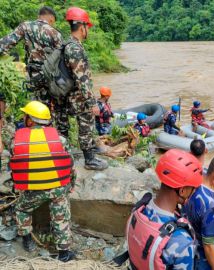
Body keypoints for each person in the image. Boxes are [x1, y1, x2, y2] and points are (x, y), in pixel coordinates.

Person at [10, 101, 77, 262]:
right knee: (61, 217)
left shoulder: (16, 141)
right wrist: (71, 185)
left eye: (25, 115)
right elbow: (70, 166)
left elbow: (17, 167)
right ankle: (64, 254)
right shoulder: (60, 139)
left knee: (21, 209)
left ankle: (27, 241)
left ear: (31, 120)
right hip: (57, 188)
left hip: (33, 190)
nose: (23, 117)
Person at [117, 149, 203, 270]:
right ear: (182, 190)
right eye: (192, 189)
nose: (193, 192)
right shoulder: (182, 241)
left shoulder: (140, 210)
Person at [55, 7, 108, 171]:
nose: (88, 30)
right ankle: (89, 159)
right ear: (82, 27)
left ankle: (90, 147)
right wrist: (92, 102)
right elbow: (81, 78)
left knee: (85, 125)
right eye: (87, 27)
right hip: (79, 95)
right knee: (86, 124)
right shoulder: (75, 48)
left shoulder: (69, 44)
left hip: (73, 94)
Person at [0, 6, 63, 107]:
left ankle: (30, 120)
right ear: (52, 18)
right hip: (48, 78)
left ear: (39, 16)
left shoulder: (25, 26)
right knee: (45, 108)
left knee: (30, 106)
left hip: (31, 77)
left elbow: (7, 43)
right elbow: (60, 60)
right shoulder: (56, 33)